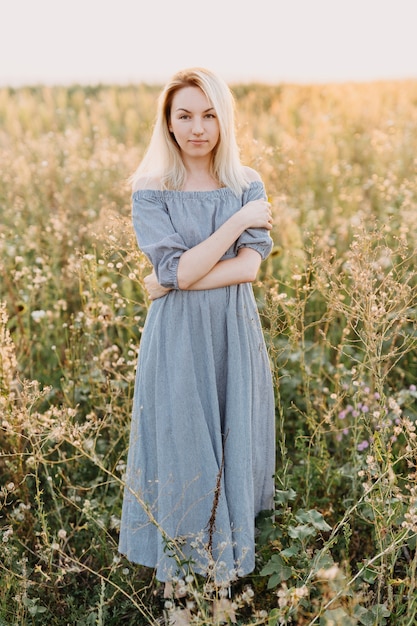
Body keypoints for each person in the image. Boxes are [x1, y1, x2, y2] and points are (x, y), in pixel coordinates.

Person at [118, 67, 275, 623]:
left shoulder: (246, 181)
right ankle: (180, 605)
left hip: (232, 338)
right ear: (167, 120)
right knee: (184, 454)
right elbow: (184, 269)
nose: (198, 128)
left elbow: (249, 270)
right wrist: (233, 227)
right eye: (184, 114)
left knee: (229, 456)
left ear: (224, 119)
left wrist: (171, 279)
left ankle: (221, 602)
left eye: (209, 114)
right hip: (178, 344)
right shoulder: (151, 191)